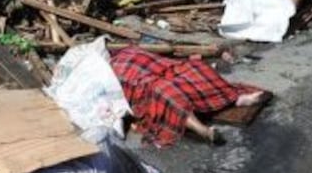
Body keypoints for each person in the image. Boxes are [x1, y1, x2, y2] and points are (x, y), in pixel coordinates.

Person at [109, 47, 268, 148]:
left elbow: (157, 59)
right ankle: (204, 131)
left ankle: (236, 98)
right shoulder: (104, 73)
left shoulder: (125, 50)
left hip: (163, 67)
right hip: (143, 81)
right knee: (165, 92)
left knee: (196, 68)